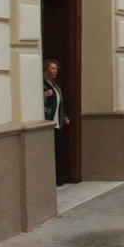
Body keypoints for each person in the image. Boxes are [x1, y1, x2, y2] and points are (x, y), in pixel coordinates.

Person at [43, 59, 69, 187]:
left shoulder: (55, 86)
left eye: (56, 69)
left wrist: (63, 116)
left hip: (56, 123)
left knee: (58, 147)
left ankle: (54, 176)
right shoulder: (43, 85)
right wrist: (44, 95)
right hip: (48, 123)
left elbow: (59, 104)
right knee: (56, 147)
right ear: (45, 69)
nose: (55, 71)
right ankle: (51, 177)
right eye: (52, 68)